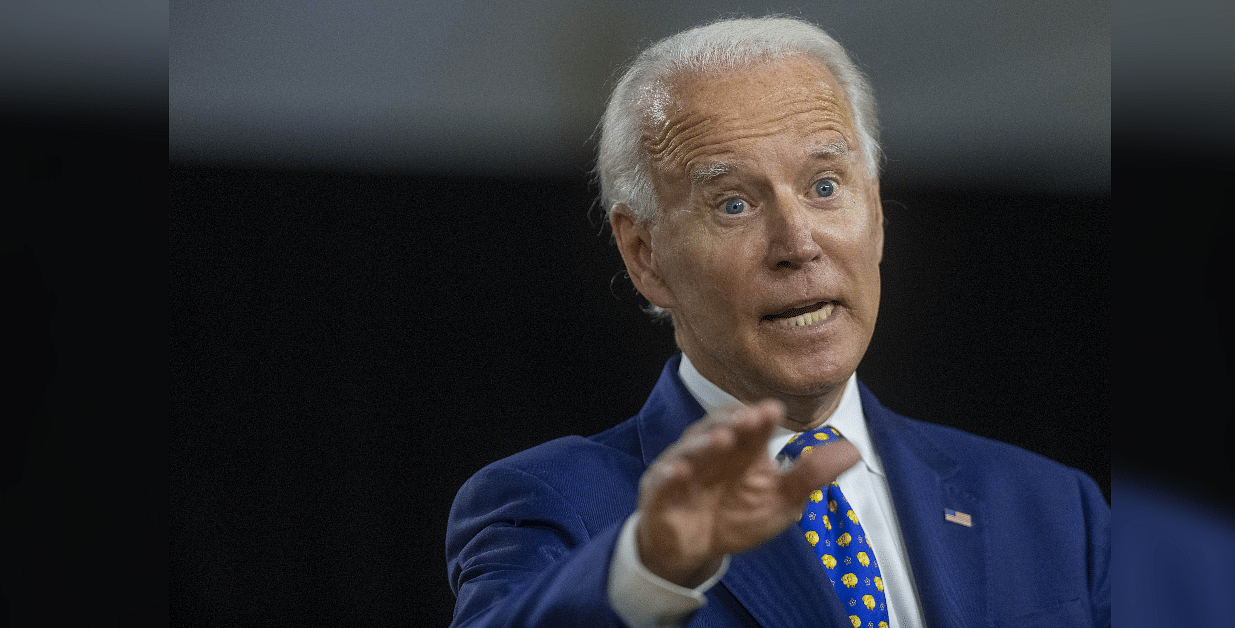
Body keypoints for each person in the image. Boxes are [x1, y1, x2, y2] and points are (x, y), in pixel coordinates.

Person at [445, 16, 1109, 628]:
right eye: (733, 203)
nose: (797, 243)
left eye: (824, 186)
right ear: (645, 255)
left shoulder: (1053, 508)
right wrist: (649, 570)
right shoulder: (550, 506)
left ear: (875, 213)